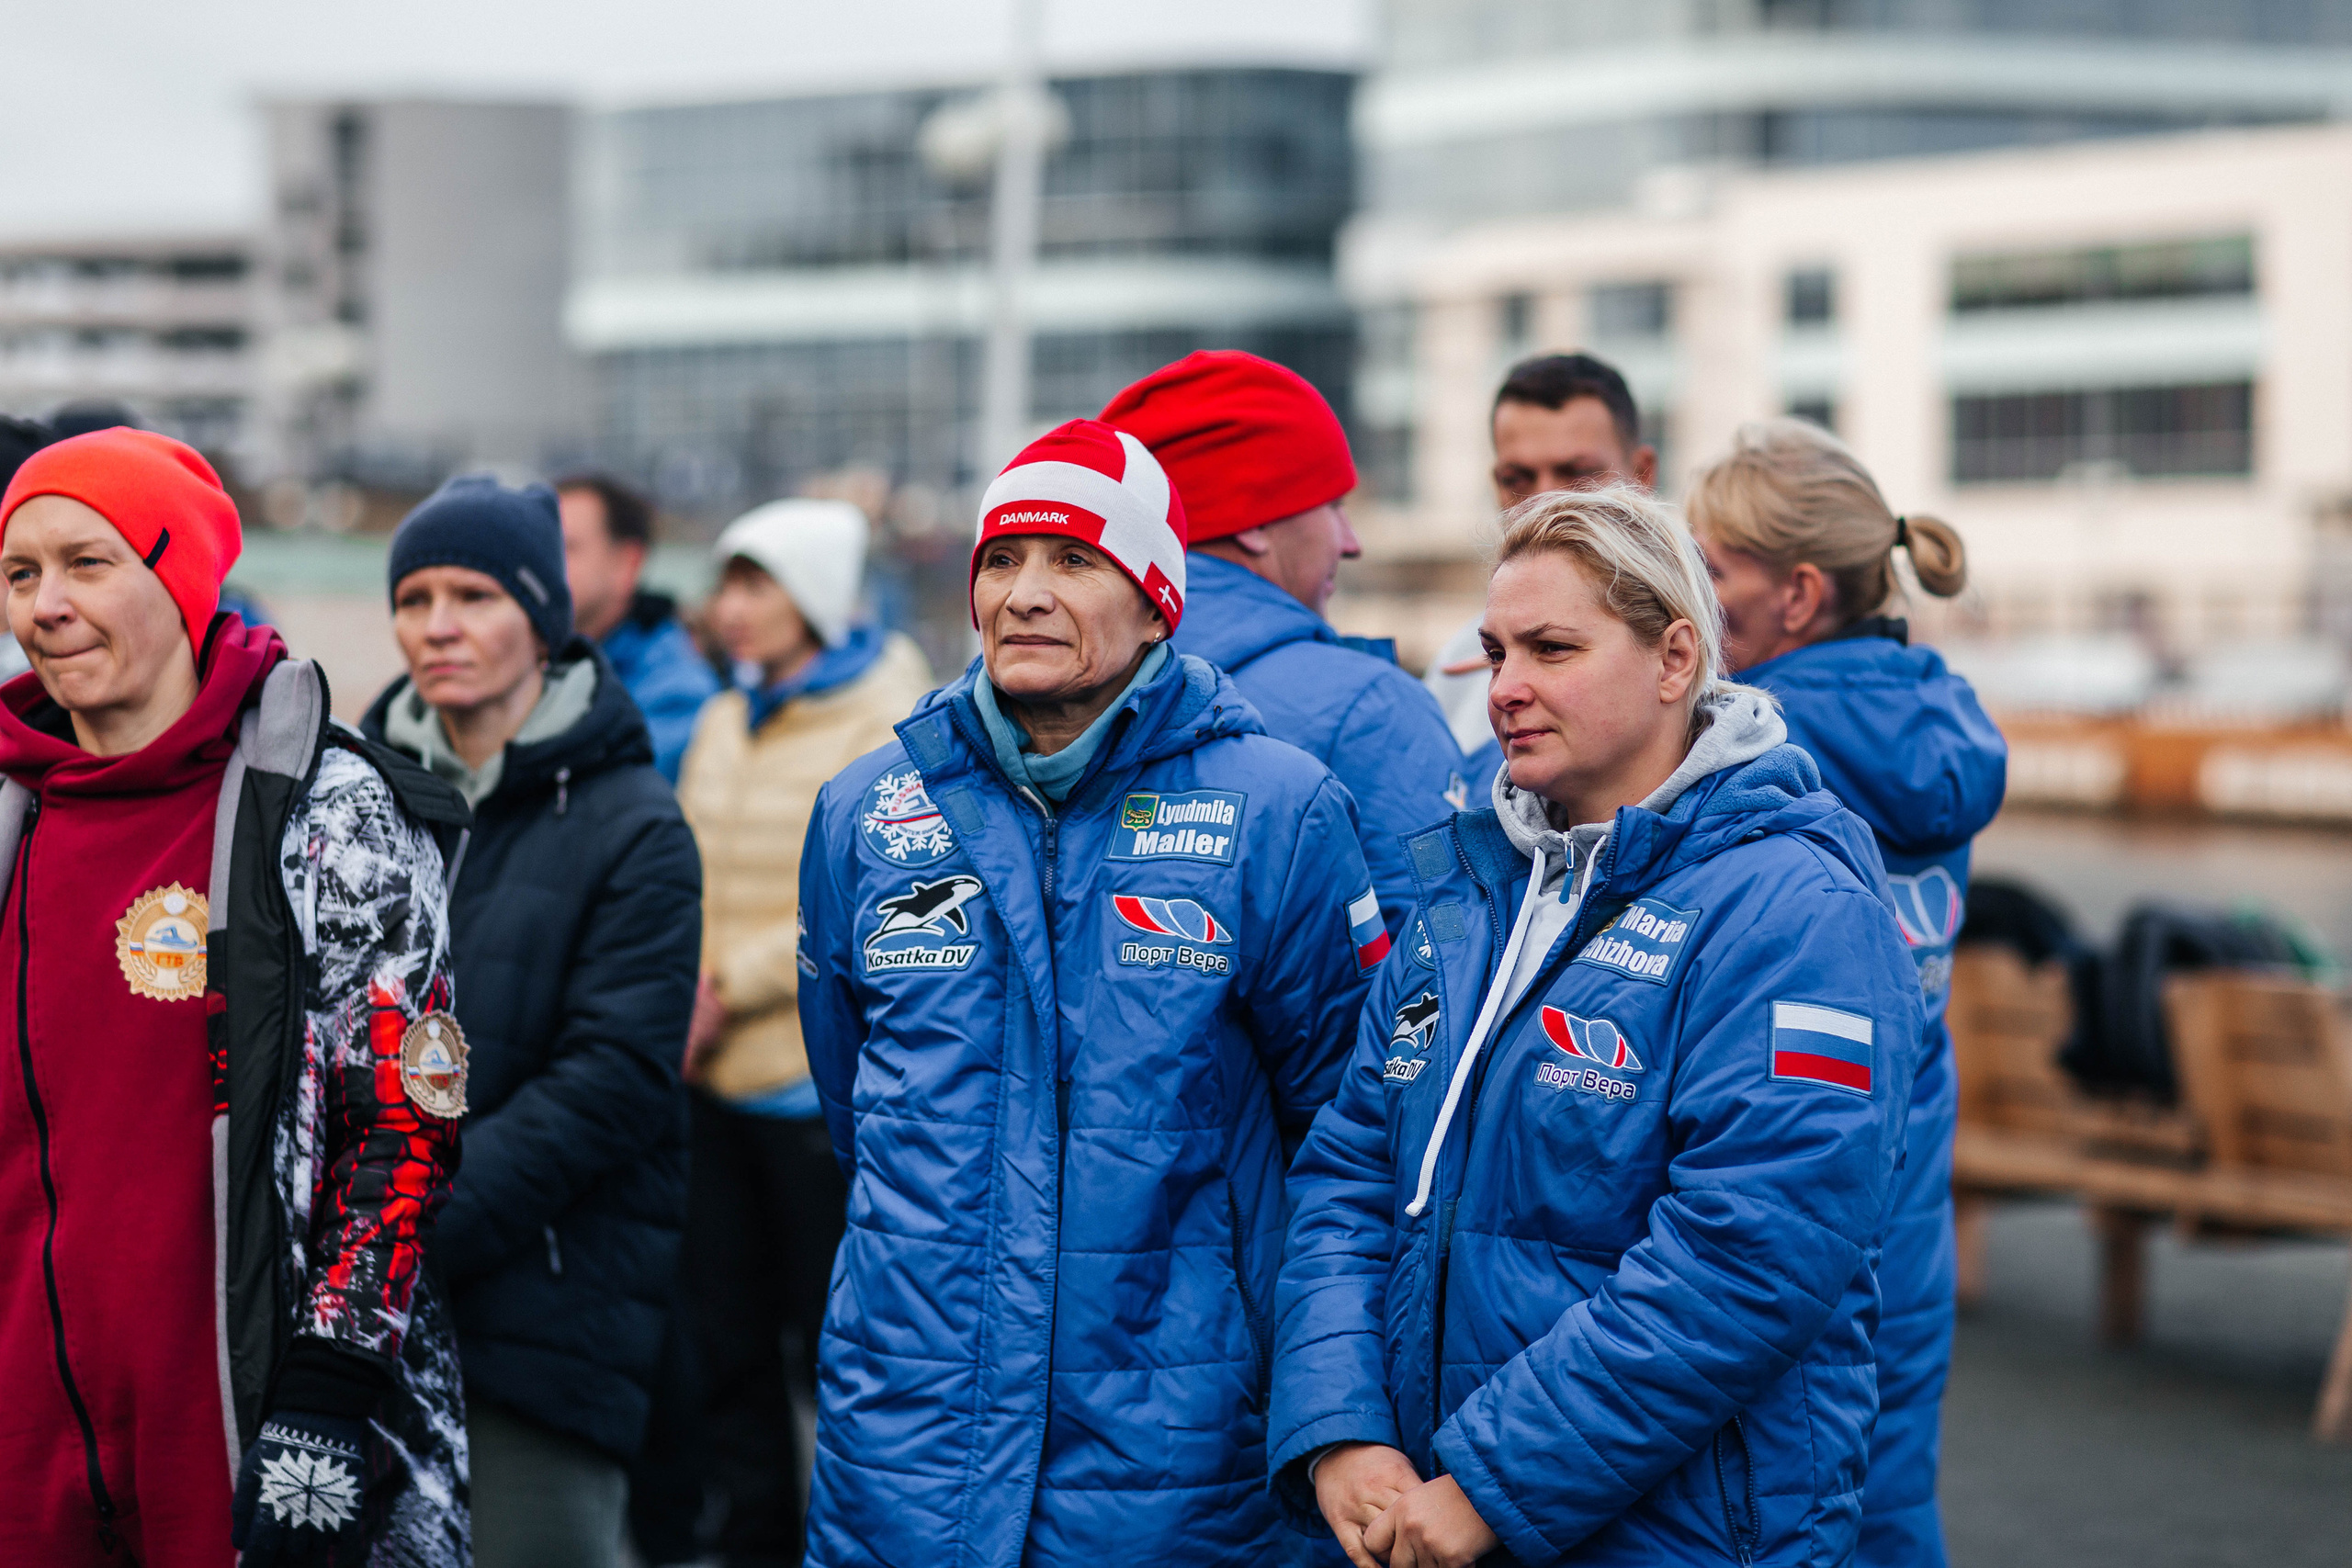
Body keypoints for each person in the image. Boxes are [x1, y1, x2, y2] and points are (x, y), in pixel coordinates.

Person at [1272, 484, 1925, 1568]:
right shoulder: (1475, 893)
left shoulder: (1796, 913)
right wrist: (1340, 1431)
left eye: (1552, 649)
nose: (1506, 688)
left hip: (1672, 1535)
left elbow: (1749, 1256)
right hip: (1431, 1511)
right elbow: (1349, 1169)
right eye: (1494, 651)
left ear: (1675, 660)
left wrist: (1491, 1483)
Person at [797, 419, 1386, 1568]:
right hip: (908, 1445)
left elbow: (1345, 1132)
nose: (1025, 594)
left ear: (1158, 598)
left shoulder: (1280, 808)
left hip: (1180, 1457)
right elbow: (852, 1105)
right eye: (1001, 561)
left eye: (1074, 561)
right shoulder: (865, 808)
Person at [0, 428, 469, 1566]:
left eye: (88, 563)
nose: (47, 606)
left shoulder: (325, 804)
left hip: (246, 1407)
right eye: (21, 574)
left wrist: (331, 1385)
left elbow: (407, 1122)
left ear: (180, 573)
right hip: (27, 1422)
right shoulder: (11, 804)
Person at [363, 476, 703, 1568]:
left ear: (544, 616)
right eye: (414, 598)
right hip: (355, 1306)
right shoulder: (349, 799)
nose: (438, 626)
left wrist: (411, 1222)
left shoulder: (632, 823)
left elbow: (612, 1079)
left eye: (473, 594)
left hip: (541, 1308)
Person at [1687, 419, 2007, 1568]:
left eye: (1709, 573)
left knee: (1764, 1507)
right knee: (1887, 1496)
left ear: (1798, 594)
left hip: (1781, 1180)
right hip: (1909, 1177)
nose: (1688, 596)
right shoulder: (1944, 723)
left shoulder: (1758, 742)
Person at [668, 498, 933, 1563]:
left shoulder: (889, 709)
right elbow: (685, 865)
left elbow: (871, 893)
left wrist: (724, 985)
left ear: (814, 595)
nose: (732, 611)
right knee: (723, 1347)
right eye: (728, 585)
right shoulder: (727, 715)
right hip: (709, 1082)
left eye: (757, 586)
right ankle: (753, 1544)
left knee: (834, 1354)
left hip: (809, 1087)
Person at [1101, 349, 1464, 936]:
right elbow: (1439, 974)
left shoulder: (1047, 691)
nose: (1350, 542)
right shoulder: (1370, 710)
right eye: (1333, 505)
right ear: (1250, 516)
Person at [1425, 352, 1658, 788]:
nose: (1545, 500)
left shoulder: (1726, 639)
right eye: (1518, 478)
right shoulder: (1458, 662)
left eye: (1577, 473)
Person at [557, 469, 720, 782]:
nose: (546, 565)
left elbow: (611, 796)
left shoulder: (677, 689)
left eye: (566, 547)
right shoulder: (530, 666)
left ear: (627, 564)